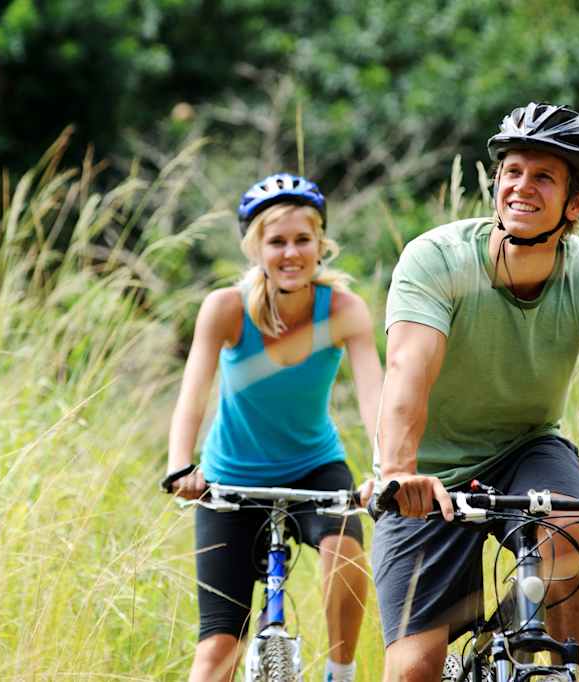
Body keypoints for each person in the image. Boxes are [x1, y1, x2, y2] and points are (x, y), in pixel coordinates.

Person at [370, 102, 579, 680]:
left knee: (570, 532)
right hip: (426, 474)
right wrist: (398, 468)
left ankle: (573, 676)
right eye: (512, 171)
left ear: (575, 204)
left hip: (526, 449)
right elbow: (407, 369)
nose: (522, 187)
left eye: (543, 176)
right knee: (413, 668)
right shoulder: (437, 259)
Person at [165, 173, 383, 682]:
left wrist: (385, 470)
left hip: (314, 468)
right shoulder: (226, 309)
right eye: (276, 241)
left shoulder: (345, 310)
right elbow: (191, 396)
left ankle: (341, 671)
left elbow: (376, 396)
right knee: (217, 651)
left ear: (321, 244)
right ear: (255, 248)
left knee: (346, 553)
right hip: (230, 479)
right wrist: (181, 466)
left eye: (302, 240)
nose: (291, 253)